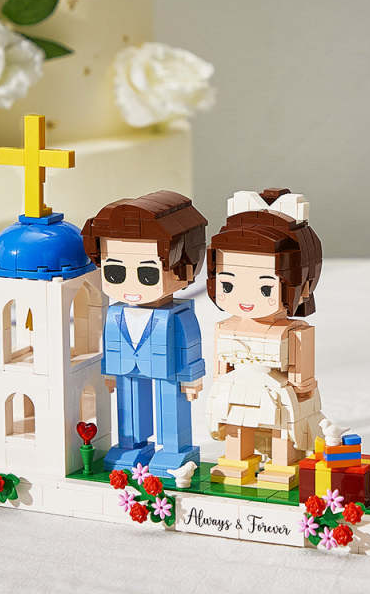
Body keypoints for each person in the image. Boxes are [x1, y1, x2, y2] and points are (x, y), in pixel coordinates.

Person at [82, 191, 207, 477]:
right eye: (115, 272)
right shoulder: (116, 313)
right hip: (126, 369)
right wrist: (109, 372)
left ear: (182, 269)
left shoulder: (177, 315)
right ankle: (131, 446)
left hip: (169, 372)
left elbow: (190, 345)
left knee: (171, 409)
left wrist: (192, 378)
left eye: (148, 274)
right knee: (128, 408)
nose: (130, 285)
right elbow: (111, 343)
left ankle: (175, 449)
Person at [205, 188, 324, 489]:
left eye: (265, 288)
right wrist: (219, 383)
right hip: (234, 389)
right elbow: (221, 365)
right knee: (235, 426)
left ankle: (283, 467)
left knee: (281, 429)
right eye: (228, 285)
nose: (246, 299)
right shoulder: (226, 326)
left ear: (302, 286)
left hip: (276, 391)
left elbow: (301, 376)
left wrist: (302, 390)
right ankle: (235, 463)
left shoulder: (294, 332)